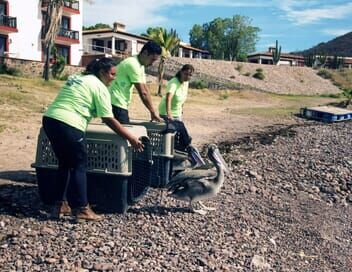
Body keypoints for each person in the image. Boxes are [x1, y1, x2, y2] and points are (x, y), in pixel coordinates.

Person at [42, 57, 144, 222]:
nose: (114, 78)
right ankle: (82, 208)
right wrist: (130, 137)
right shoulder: (99, 87)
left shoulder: (77, 78)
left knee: (64, 163)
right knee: (79, 165)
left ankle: (59, 205)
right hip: (69, 123)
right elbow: (108, 119)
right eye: (112, 74)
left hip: (50, 120)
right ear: (102, 72)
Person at [158, 64, 205, 166]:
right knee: (171, 137)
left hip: (177, 113)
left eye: (190, 75)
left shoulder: (186, 83)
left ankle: (179, 159)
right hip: (166, 113)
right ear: (181, 72)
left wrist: (181, 109)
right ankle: (169, 159)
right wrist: (169, 114)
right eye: (186, 74)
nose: (187, 76)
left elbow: (183, 98)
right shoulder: (173, 83)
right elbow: (168, 98)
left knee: (179, 137)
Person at [109, 40, 163, 124]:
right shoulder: (132, 64)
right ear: (145, 53)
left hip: (119, 103)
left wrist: (153, 111)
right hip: (116, 103)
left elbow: (146, 89)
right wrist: (152, 112)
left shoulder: (140, 65)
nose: (152, 63)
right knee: (123, 134)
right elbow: (143, 93)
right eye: (152, 59)